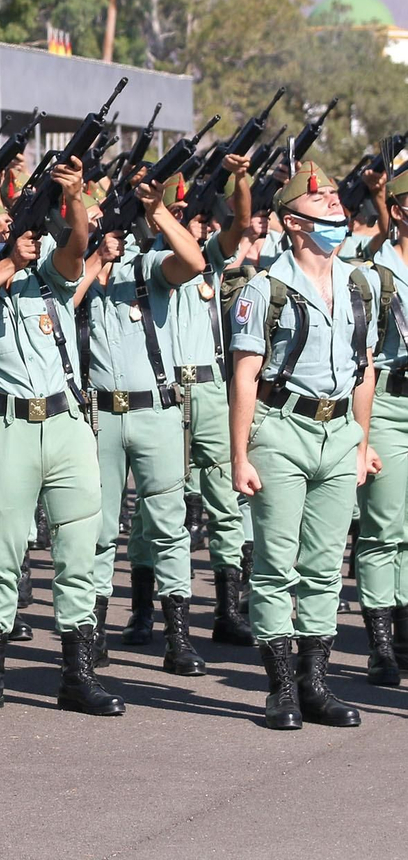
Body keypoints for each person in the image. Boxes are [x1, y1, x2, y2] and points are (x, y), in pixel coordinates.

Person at [0, 164, 124, 717]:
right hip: (10, 428)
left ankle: (78, 674)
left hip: (66, 425)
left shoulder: (49, 275)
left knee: (77, 554)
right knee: (3, 553)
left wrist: (70, 198)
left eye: (8, 224)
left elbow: (76, 253)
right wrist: (5, 264)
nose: (4, 232)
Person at [230, 161, 379, 729]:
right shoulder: (263, 289)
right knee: (275, 565)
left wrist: (362, 442)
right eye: (324, 203)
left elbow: (362, 368)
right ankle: (281, 689)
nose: (338, 207)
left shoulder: (361, 283)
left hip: (339, 434)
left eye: (339, 199)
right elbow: (244, 375)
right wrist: (240, 455)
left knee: (323, 568)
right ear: (293, 222)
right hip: (282, 430)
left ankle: (316, 684)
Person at [79, 177, 207, 674]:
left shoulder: (146, 264)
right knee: (98, 527)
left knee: (169, 526)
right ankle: (94, 634)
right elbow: (66, 301)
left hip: (156, 411)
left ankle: (178, 639)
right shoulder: (72, 269)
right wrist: (96, 259)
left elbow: (193, 262)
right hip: (99, 416)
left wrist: (159, 212)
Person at [163, 158, 255, 648]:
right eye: (183, 213)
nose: (194, 221)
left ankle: (227, 609)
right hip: (162, 393)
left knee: (226, 501)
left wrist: (242, 180)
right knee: (163, 504)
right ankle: (147, 612)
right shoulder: (142, 257)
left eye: (194, 214)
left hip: (209, 391)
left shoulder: (210, 258)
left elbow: (241, 223)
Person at [358, 170, 408, 685]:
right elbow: (364, 357)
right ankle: (382, 645)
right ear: (399, 210)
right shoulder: (377, 273)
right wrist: (364, 433)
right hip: (391, 403)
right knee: (383, 527)